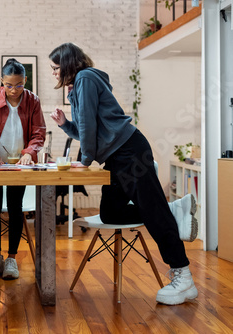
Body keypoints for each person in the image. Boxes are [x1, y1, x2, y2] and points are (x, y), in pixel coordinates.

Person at [49, 42, 198, 305]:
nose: (53, 73)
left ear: (68, 65)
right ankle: (171, 211)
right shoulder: (84, 82)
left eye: (55, 68)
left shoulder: (84, 79)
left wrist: (84, 160)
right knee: (111, 213)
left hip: (130, 152)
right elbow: (88, 128)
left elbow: (88, 125)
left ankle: (184, 276)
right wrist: (65, 125)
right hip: (119, 156)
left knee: (152, 213)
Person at [0, 58, 46, 280]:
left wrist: (29, 153)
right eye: (9, 85)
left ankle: (12, 258)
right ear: (1, 82)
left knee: (16, 207)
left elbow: (39, 132)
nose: (14, 90)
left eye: (19, 85)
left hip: (18, 163)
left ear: (25, 81)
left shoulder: (33, 100)